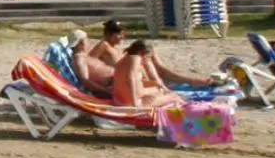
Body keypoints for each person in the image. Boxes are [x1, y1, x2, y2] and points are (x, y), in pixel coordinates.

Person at [90, 19, 220, 88]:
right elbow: (89, 62)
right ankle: (184, 81)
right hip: (120, 78)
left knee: (149, 50)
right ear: (107, 34)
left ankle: (179, 80)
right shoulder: (103, 45)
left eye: (122, 34)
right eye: (118, 35)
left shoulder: (112, 47)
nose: (121, 38)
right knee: (146, 59)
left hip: (129, 73)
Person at [112, 40, 180, 109]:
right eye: (147, 57)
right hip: (131, 103)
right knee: (174, 96)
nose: (148, 60)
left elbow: (128, 81)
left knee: (159, 89)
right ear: (140, 53)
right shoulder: (136, 58)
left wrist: (155, 84)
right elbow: (131, 78)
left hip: (118, 101)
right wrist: (135, 103)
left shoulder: (124, 60)